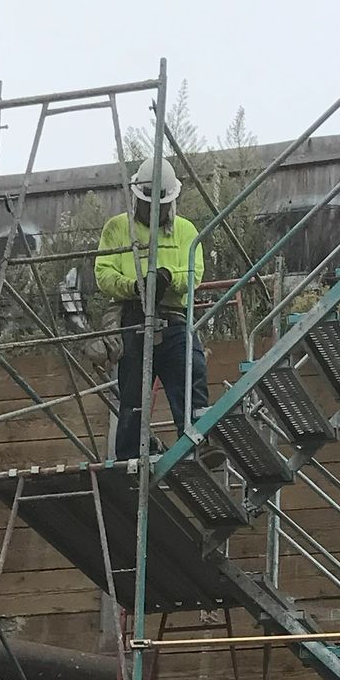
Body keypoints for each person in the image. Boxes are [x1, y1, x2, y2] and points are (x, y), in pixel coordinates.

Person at [94, 165, 208, 460]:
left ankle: (198, 441)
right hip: (134, 316)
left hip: (174, 319)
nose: (153, 210)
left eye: (159, 204)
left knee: (191, 371)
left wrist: (168, 277)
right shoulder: (118, 228)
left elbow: (194, 275)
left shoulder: (186, 231)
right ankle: (130, 454)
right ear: (137, 198)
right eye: (147, 204)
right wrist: (134, 286)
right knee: (132, 390)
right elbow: (103, 274)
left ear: (170, 201)